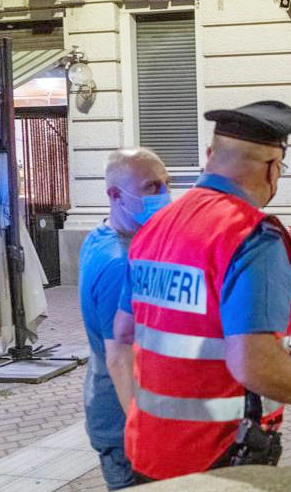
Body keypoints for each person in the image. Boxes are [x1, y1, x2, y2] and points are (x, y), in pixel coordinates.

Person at [113, 101, 291, 482]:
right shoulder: (251, 236)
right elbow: (255, 365)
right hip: (217, 459)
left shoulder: (154, 226)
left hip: (147, 450)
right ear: (271, 168)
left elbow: (125, 333)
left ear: (209, 156)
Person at [80, 148, 170, 490]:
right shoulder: (120, 263)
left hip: (110, 411)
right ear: (115, 194)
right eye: (151, 187)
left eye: (166, 184)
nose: (163, 195)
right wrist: (145, 437)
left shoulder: (101, 235)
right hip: (125, 427)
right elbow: (120, 357)